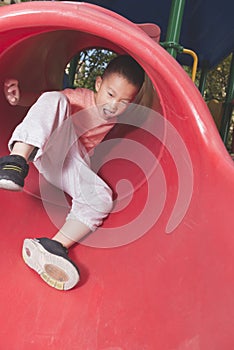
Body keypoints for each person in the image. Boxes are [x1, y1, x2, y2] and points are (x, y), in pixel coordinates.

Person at [0, 55, 147, 291]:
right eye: (110, 94)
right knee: (56, 98)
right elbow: (45, 103)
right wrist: (18, 99)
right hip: (50, 145)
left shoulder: (118, 116)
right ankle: (15, 160)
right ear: (98, 85)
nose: (113, 105)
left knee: (102, 197)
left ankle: (53, 247)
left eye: (123, 101)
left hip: (70, 163)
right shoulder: (81, 98)